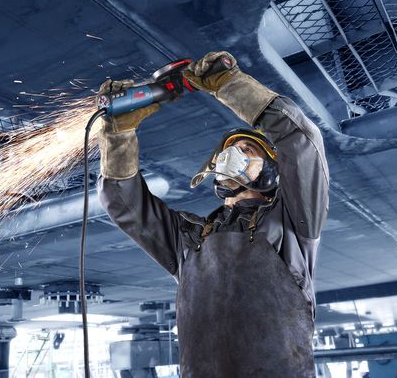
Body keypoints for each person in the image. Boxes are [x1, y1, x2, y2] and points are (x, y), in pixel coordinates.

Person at [97, 51, 329, 377]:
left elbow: (301, 142)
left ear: (274, 170)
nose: (231, 156)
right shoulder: (189, 240)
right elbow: (124, 204)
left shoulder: (291, 219)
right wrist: (118, 134)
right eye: (225, 153)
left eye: (246, 150)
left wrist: (230, 85)